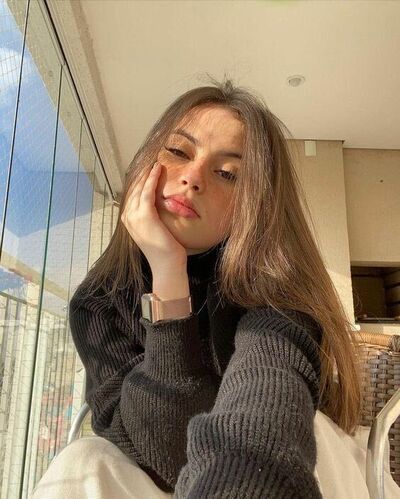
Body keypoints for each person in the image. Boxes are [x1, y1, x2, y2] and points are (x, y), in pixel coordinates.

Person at [31, 76, 365, 498]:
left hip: (295, 467)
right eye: (177, 152)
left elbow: (262, 421)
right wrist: (168, 277)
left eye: (227, 173)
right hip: (170, 480)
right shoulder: (98, 303)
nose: (192, 177)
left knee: (310, 426)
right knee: (84, 461)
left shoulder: (273, 294)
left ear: (254, 206)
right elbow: (170, 455)